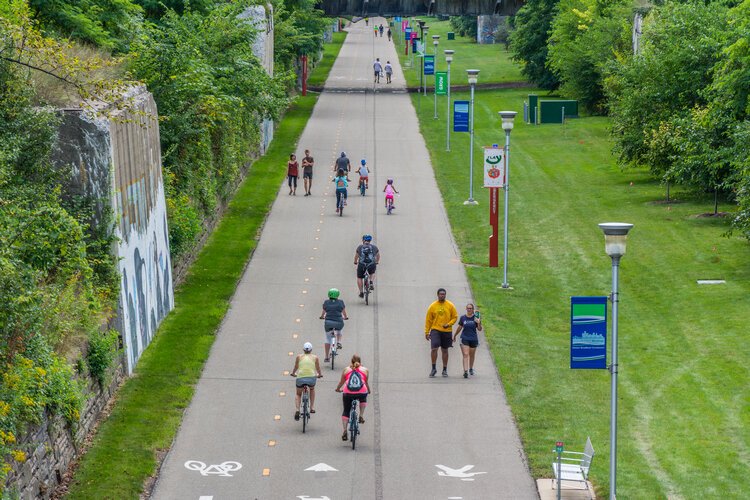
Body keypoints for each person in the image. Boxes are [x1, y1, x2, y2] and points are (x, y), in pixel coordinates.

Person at [335, 354, 370, 441]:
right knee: (363, 398)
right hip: (361, 392)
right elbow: (365, 383)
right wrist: (368, 390)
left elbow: (341, 382)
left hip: (348, 392)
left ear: (351, 361)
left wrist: (338, 389)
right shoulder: (365, 370)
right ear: (360, 362)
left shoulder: (346, 370)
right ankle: (361, 415)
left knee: (346, 411)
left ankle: (344, 431)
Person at [424, 288, 458, 377]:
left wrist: (449, 324)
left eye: (444, 294)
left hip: (447, 330)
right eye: (441, 294)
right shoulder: (433, 306)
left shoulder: (450, 305)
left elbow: (455, 317)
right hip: (436, 329)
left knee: (445, 350)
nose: (442, 295)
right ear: (437, 295)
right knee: (434, 348)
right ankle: (433, 368)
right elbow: (428, 320)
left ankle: (444, 369)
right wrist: (427, 332)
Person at [290, 342, 323, 420]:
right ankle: (311, 407)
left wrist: (293, 373)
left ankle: (298, 410)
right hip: (311, 377)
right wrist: (319, 374)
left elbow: (296, 366)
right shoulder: (315, 357)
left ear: (303, 350)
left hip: (300, 377)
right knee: (312, 389)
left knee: (298, 394)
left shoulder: (299, 356)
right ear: (311, 350)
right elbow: (318, 368)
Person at [453, 304, 482, 378]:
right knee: (465, 354)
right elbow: (460, 327)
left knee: (471, 355)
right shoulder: (463, 318)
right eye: (468, 308)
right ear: (466, 309)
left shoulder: (476, 318)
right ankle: (465, 371)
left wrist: (479, 322)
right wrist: (455, 335)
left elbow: (479, 329)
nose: (469, 310)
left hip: (473, 339)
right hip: (464, 338)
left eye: (471, 308)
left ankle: (471, 368)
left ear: (473, 309)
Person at [319, 288, 349, 362]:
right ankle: (338, 342)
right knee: (339, 331)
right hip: (339, 322)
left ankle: (326, 357)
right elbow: (344, 312)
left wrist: (322, 316)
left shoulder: (326, 302)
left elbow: (323, 312)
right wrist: (345, 317)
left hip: (328, 323)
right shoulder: (341, 302)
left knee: (327, 338)